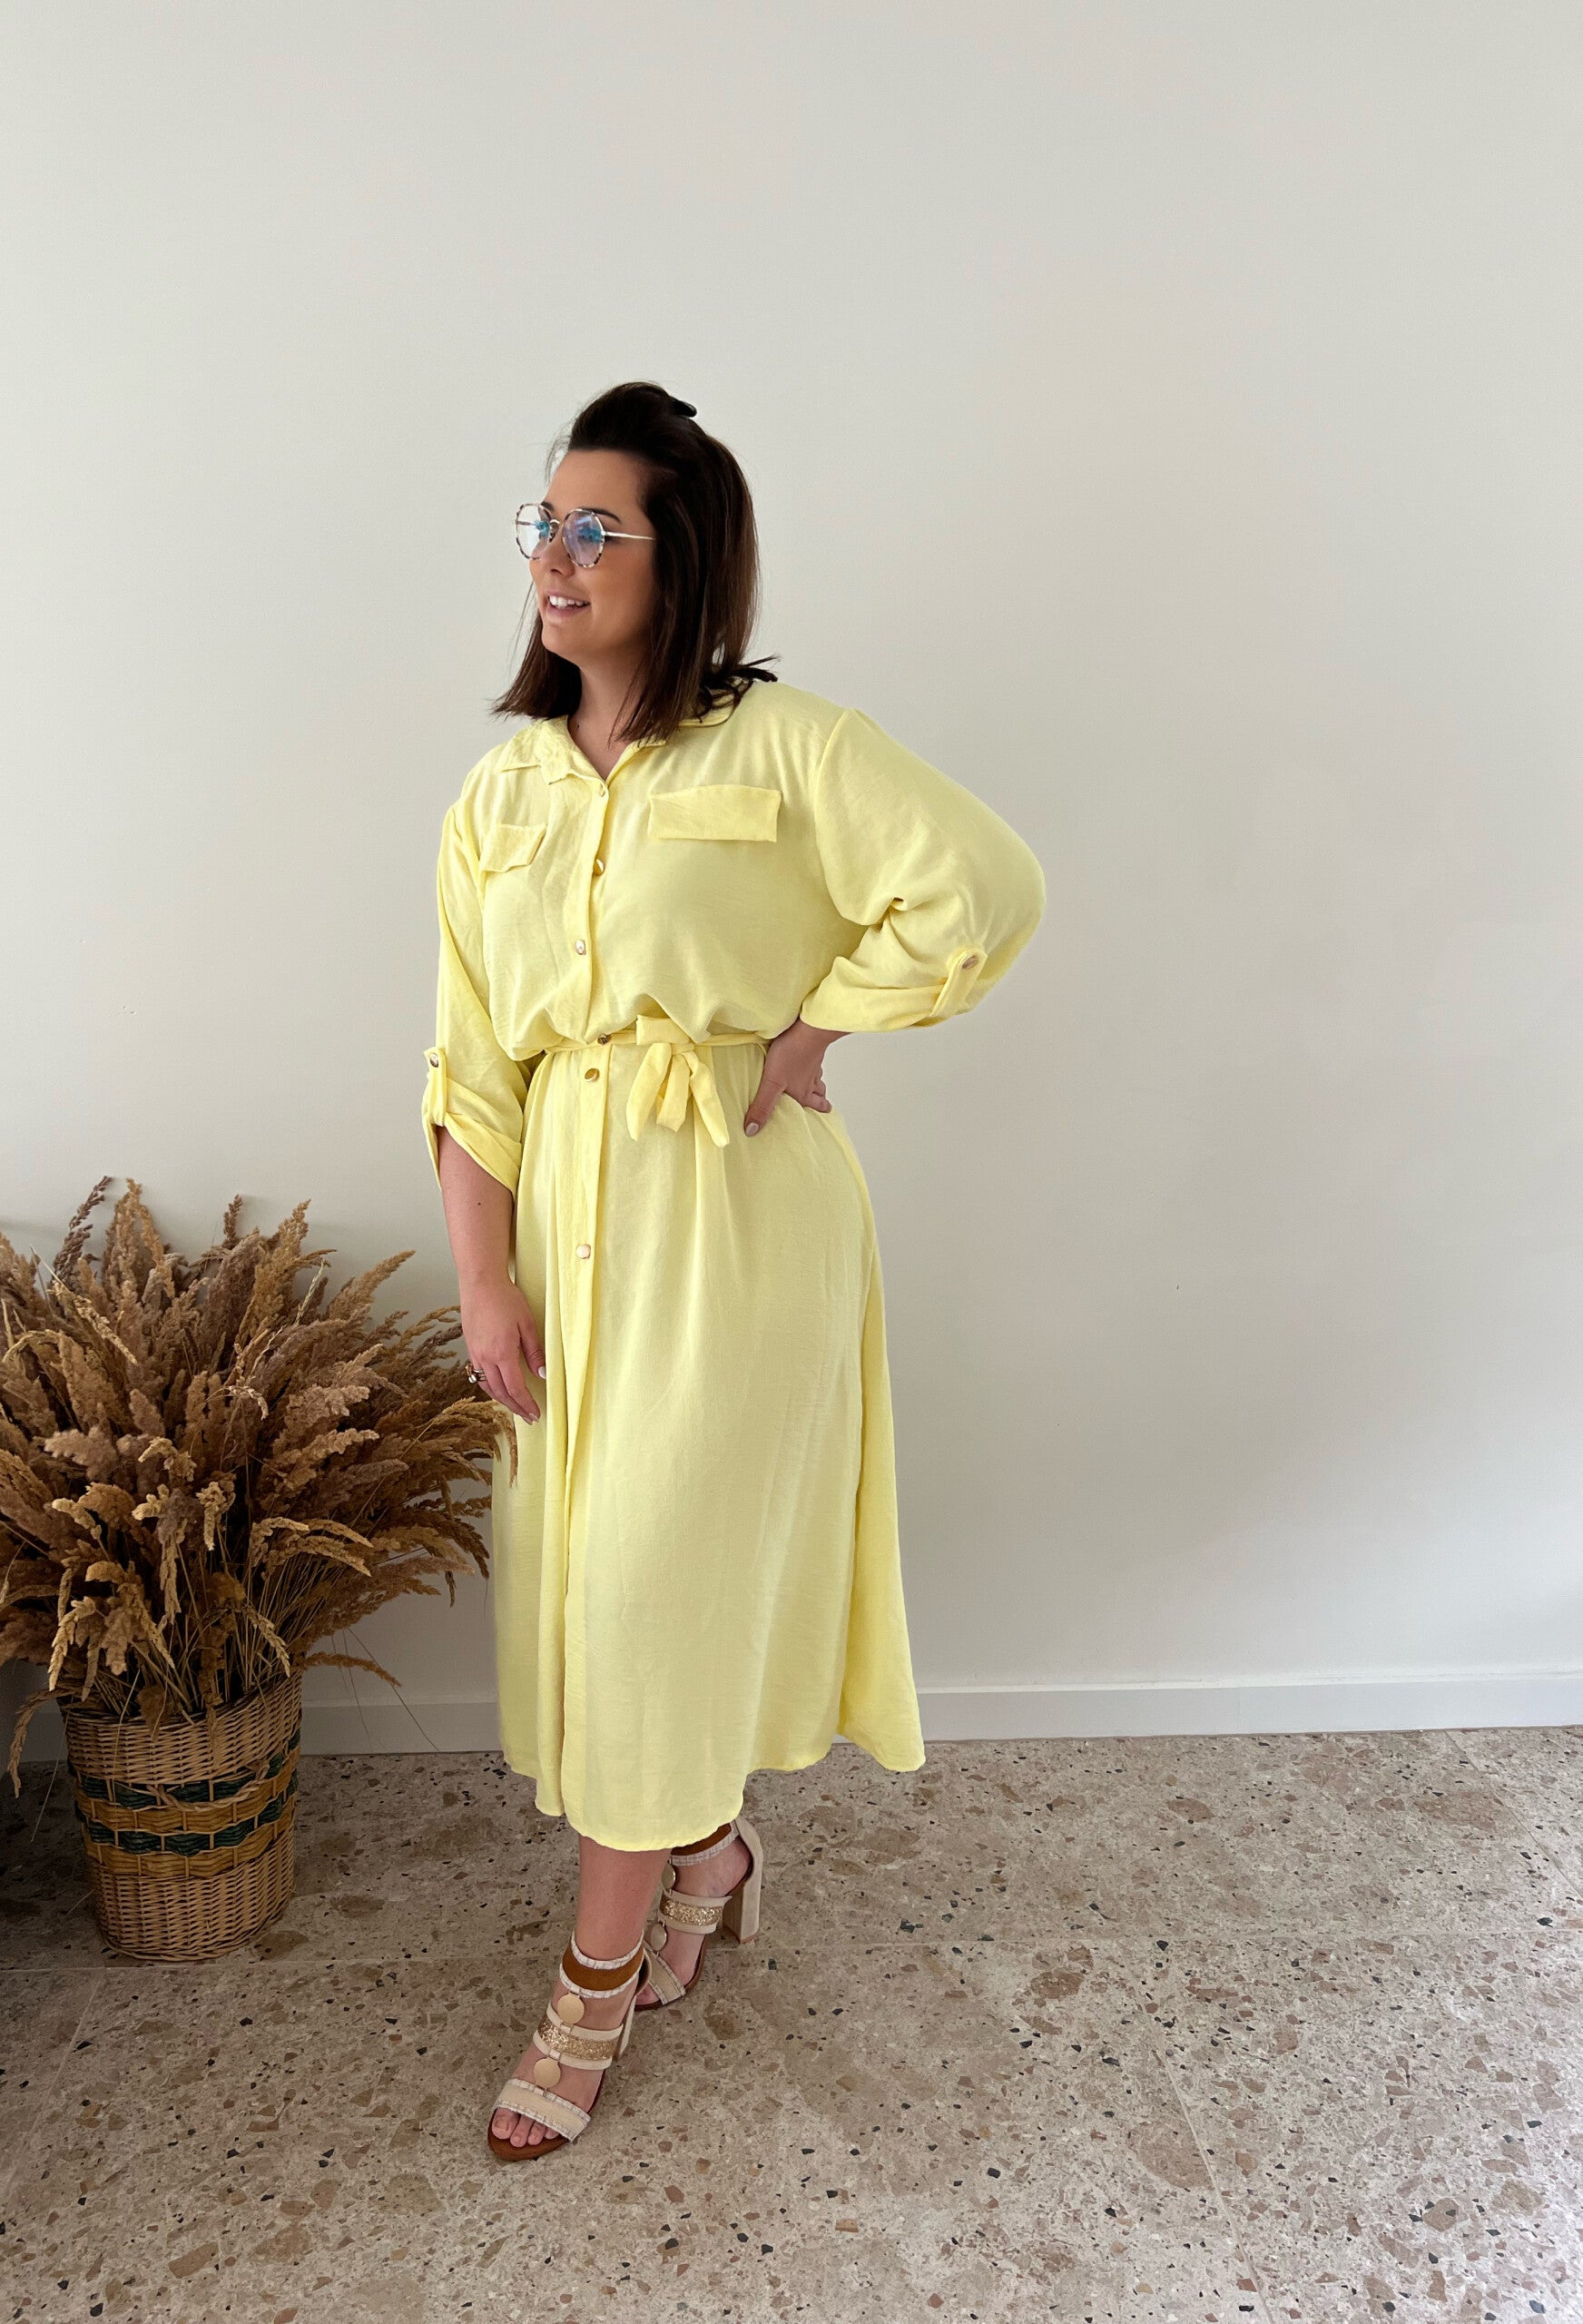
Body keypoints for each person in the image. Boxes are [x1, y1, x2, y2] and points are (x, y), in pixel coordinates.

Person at [424, 381, 1046, 2160]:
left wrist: (812, 1029)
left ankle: (588, 1988)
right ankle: (708, 1852)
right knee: (605, 1597)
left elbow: (985, 887)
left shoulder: (790, 751)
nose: (552, 556)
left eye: (592, 527)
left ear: (678, 553)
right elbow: (470, 1063)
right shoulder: (500, 793)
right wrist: (482, 1280)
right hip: (564, 1226)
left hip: (732, 1228)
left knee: (643, 1598)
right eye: (540, 523)